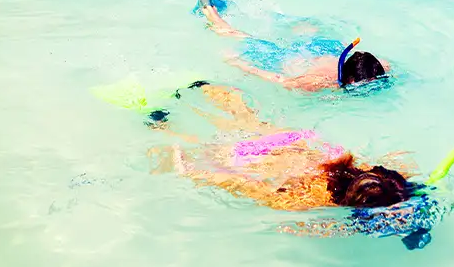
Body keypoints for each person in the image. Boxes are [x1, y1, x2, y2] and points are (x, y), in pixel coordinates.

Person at [148, 81, 420, 211]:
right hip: (252, 157)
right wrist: (190, 170)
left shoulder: (352, 164)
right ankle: (161, 126)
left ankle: (205, 87)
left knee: (250, 121)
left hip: (296, 140)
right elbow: (247, 185)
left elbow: (401, 163)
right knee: (203, 146)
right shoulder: (313, 199)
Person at [195, 0, 390, 92]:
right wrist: (239, 64)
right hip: (292, 57)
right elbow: (281, 80)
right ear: (349, 80)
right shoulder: (318, 81)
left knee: (303, 31)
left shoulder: (378, 67)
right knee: (244, 38)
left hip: (324, 48)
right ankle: (210, 12)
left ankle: (280, 18)